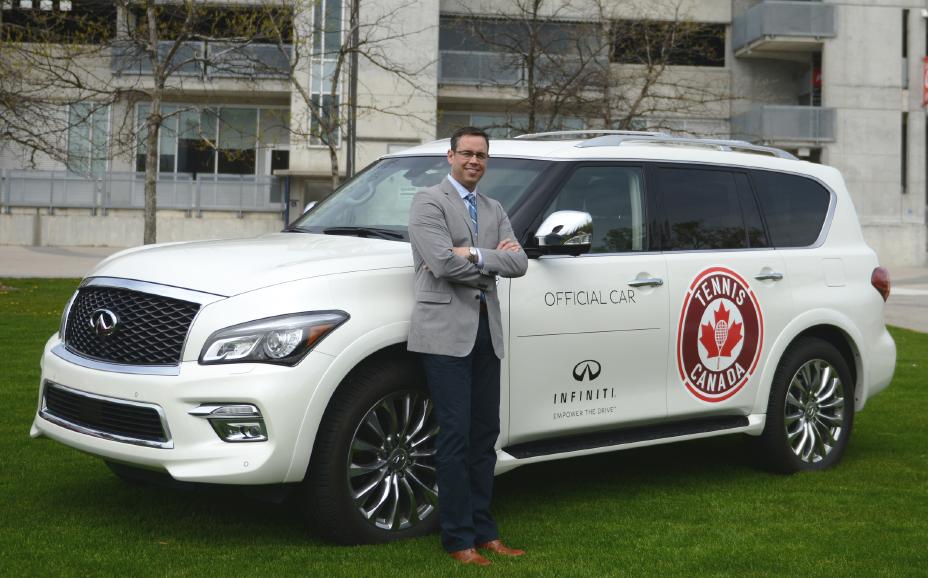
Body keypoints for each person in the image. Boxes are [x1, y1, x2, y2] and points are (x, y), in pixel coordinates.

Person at [407, 127, 528, 566]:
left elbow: (520, 262)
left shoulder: (494, 208)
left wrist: (475, 255)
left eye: (481, 155)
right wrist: (491, 261)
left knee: (484, 436)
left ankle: (485, 530)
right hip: (443, 335)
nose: (474, 160)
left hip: (484, 332)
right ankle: (459, 540)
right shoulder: (428, 201)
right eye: (467, 153)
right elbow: (439, 262)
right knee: (455, 437)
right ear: (450, 156)